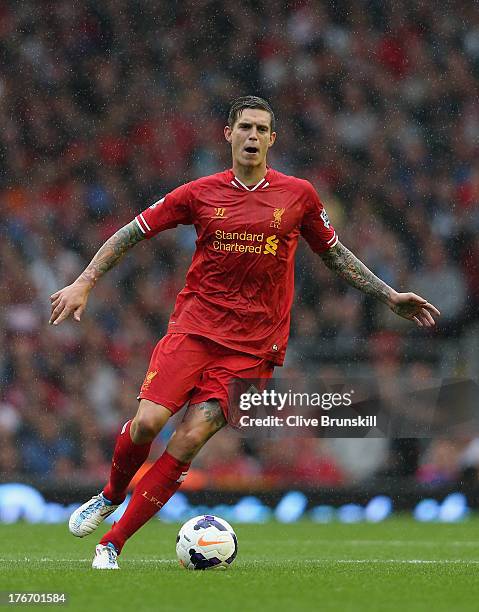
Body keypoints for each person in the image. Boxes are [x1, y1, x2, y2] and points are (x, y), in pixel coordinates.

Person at [49, 96, 440, 569]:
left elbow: (334, 253)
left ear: (273, 139)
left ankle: (111, 543)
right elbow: (134, 231)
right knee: (149, 423)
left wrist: (388, 295)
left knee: (189, 440)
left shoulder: (299, 195)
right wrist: (84, 280)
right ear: (228, 134)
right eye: (245, 128)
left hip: (253, 348)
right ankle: (110, 493)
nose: (253, 137)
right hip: (194, 329)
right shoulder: (198, 193)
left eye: (261, 129)